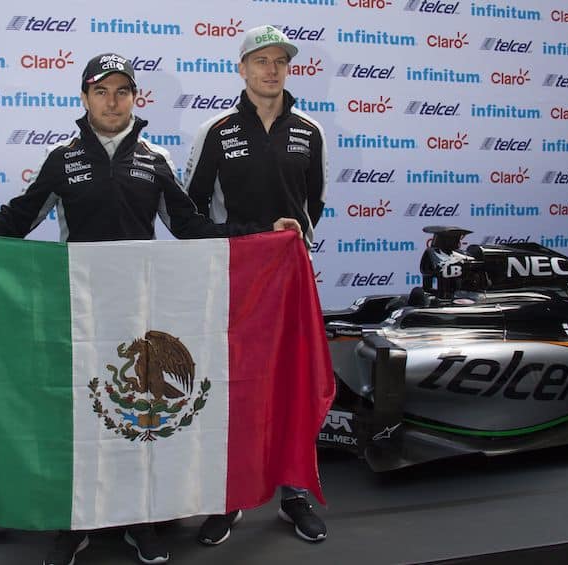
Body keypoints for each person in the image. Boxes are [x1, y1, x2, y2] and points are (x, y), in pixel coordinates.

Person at [0, 52, 300, 565]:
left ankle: (139, 521)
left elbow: (192, 227)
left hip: (138, 315)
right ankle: (72, 525)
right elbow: (16, 219)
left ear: (135, 98)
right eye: (101, 91)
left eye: (122, 91)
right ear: (85, 97)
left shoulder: (154, 158)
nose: (112, 101)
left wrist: (262, 236)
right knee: (77, 417)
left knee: (134, 419)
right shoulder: (62, 157)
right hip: (76, 315)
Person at [183, 25, 328, 545]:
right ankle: (231, 496)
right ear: (242, 68)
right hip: (234, 276)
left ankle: (294, 492)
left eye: (280, 61)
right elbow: (192, 207)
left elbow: (314, 202)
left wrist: (289, 242)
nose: (272, 70)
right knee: (234, 383)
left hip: (289, 277)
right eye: (261, 61)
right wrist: (246, 240)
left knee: (293, 379)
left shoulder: (309, 130)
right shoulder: (216, 130)